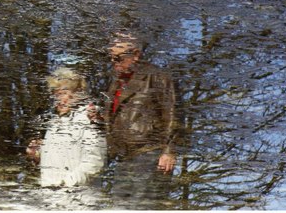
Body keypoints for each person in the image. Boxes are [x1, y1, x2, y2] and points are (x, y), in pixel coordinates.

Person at [93, 30, 180, 209]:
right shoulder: (116, 84)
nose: (113, 62)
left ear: (136, 55)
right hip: (123, 157)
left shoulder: (156, 76)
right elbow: (118, 120)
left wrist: (169, 151)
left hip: (149, 154)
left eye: (118, 58)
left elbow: (173, 114)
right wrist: (99, 119)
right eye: (111, 58)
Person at [26, 68, 107, 187]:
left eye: (62, 93)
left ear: (78, 93)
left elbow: (95, 162)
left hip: (79, 196)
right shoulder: (55, 122)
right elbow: (62, 158)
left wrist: (65, 184)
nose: (57, 99)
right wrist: (38, 154)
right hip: (51, 194)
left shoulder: (90, 118)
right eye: (55, 94)